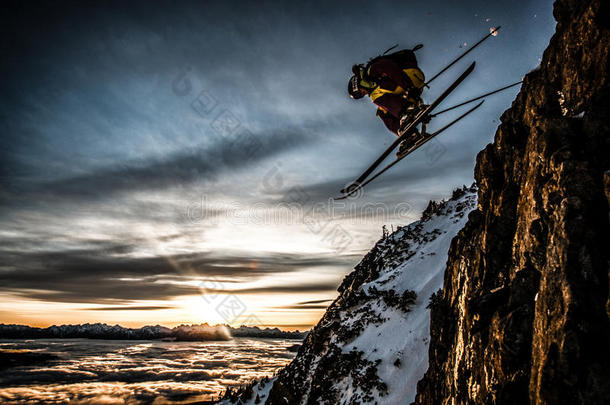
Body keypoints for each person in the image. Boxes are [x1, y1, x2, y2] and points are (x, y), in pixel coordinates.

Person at [348, 47, 428, 157]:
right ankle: (407, 134)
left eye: (359, 94)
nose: (363, 94)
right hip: (408, 89)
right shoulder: (373, 83)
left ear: (358, 85)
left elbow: (390, 68)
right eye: (360, 96)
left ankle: (407, 112)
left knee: (375, 97)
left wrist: (408, 87)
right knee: (381, 111)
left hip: (408, 76)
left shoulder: (370, 71)